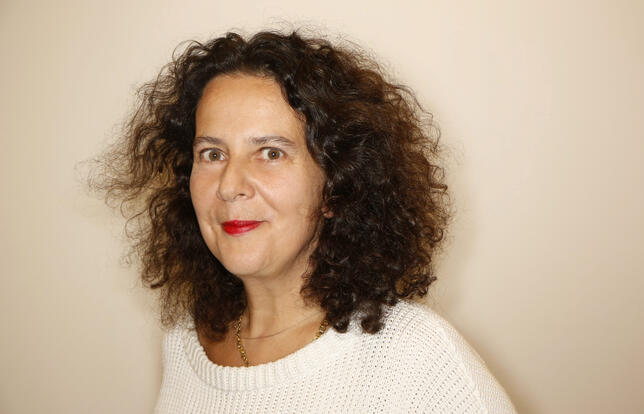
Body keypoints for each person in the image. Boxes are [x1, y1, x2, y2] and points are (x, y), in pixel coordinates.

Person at [95, 29, 517, 413]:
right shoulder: (183, 341)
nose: (229, 186)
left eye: (271, 153)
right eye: (212, 154)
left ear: (335, 186)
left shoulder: (418, 360)